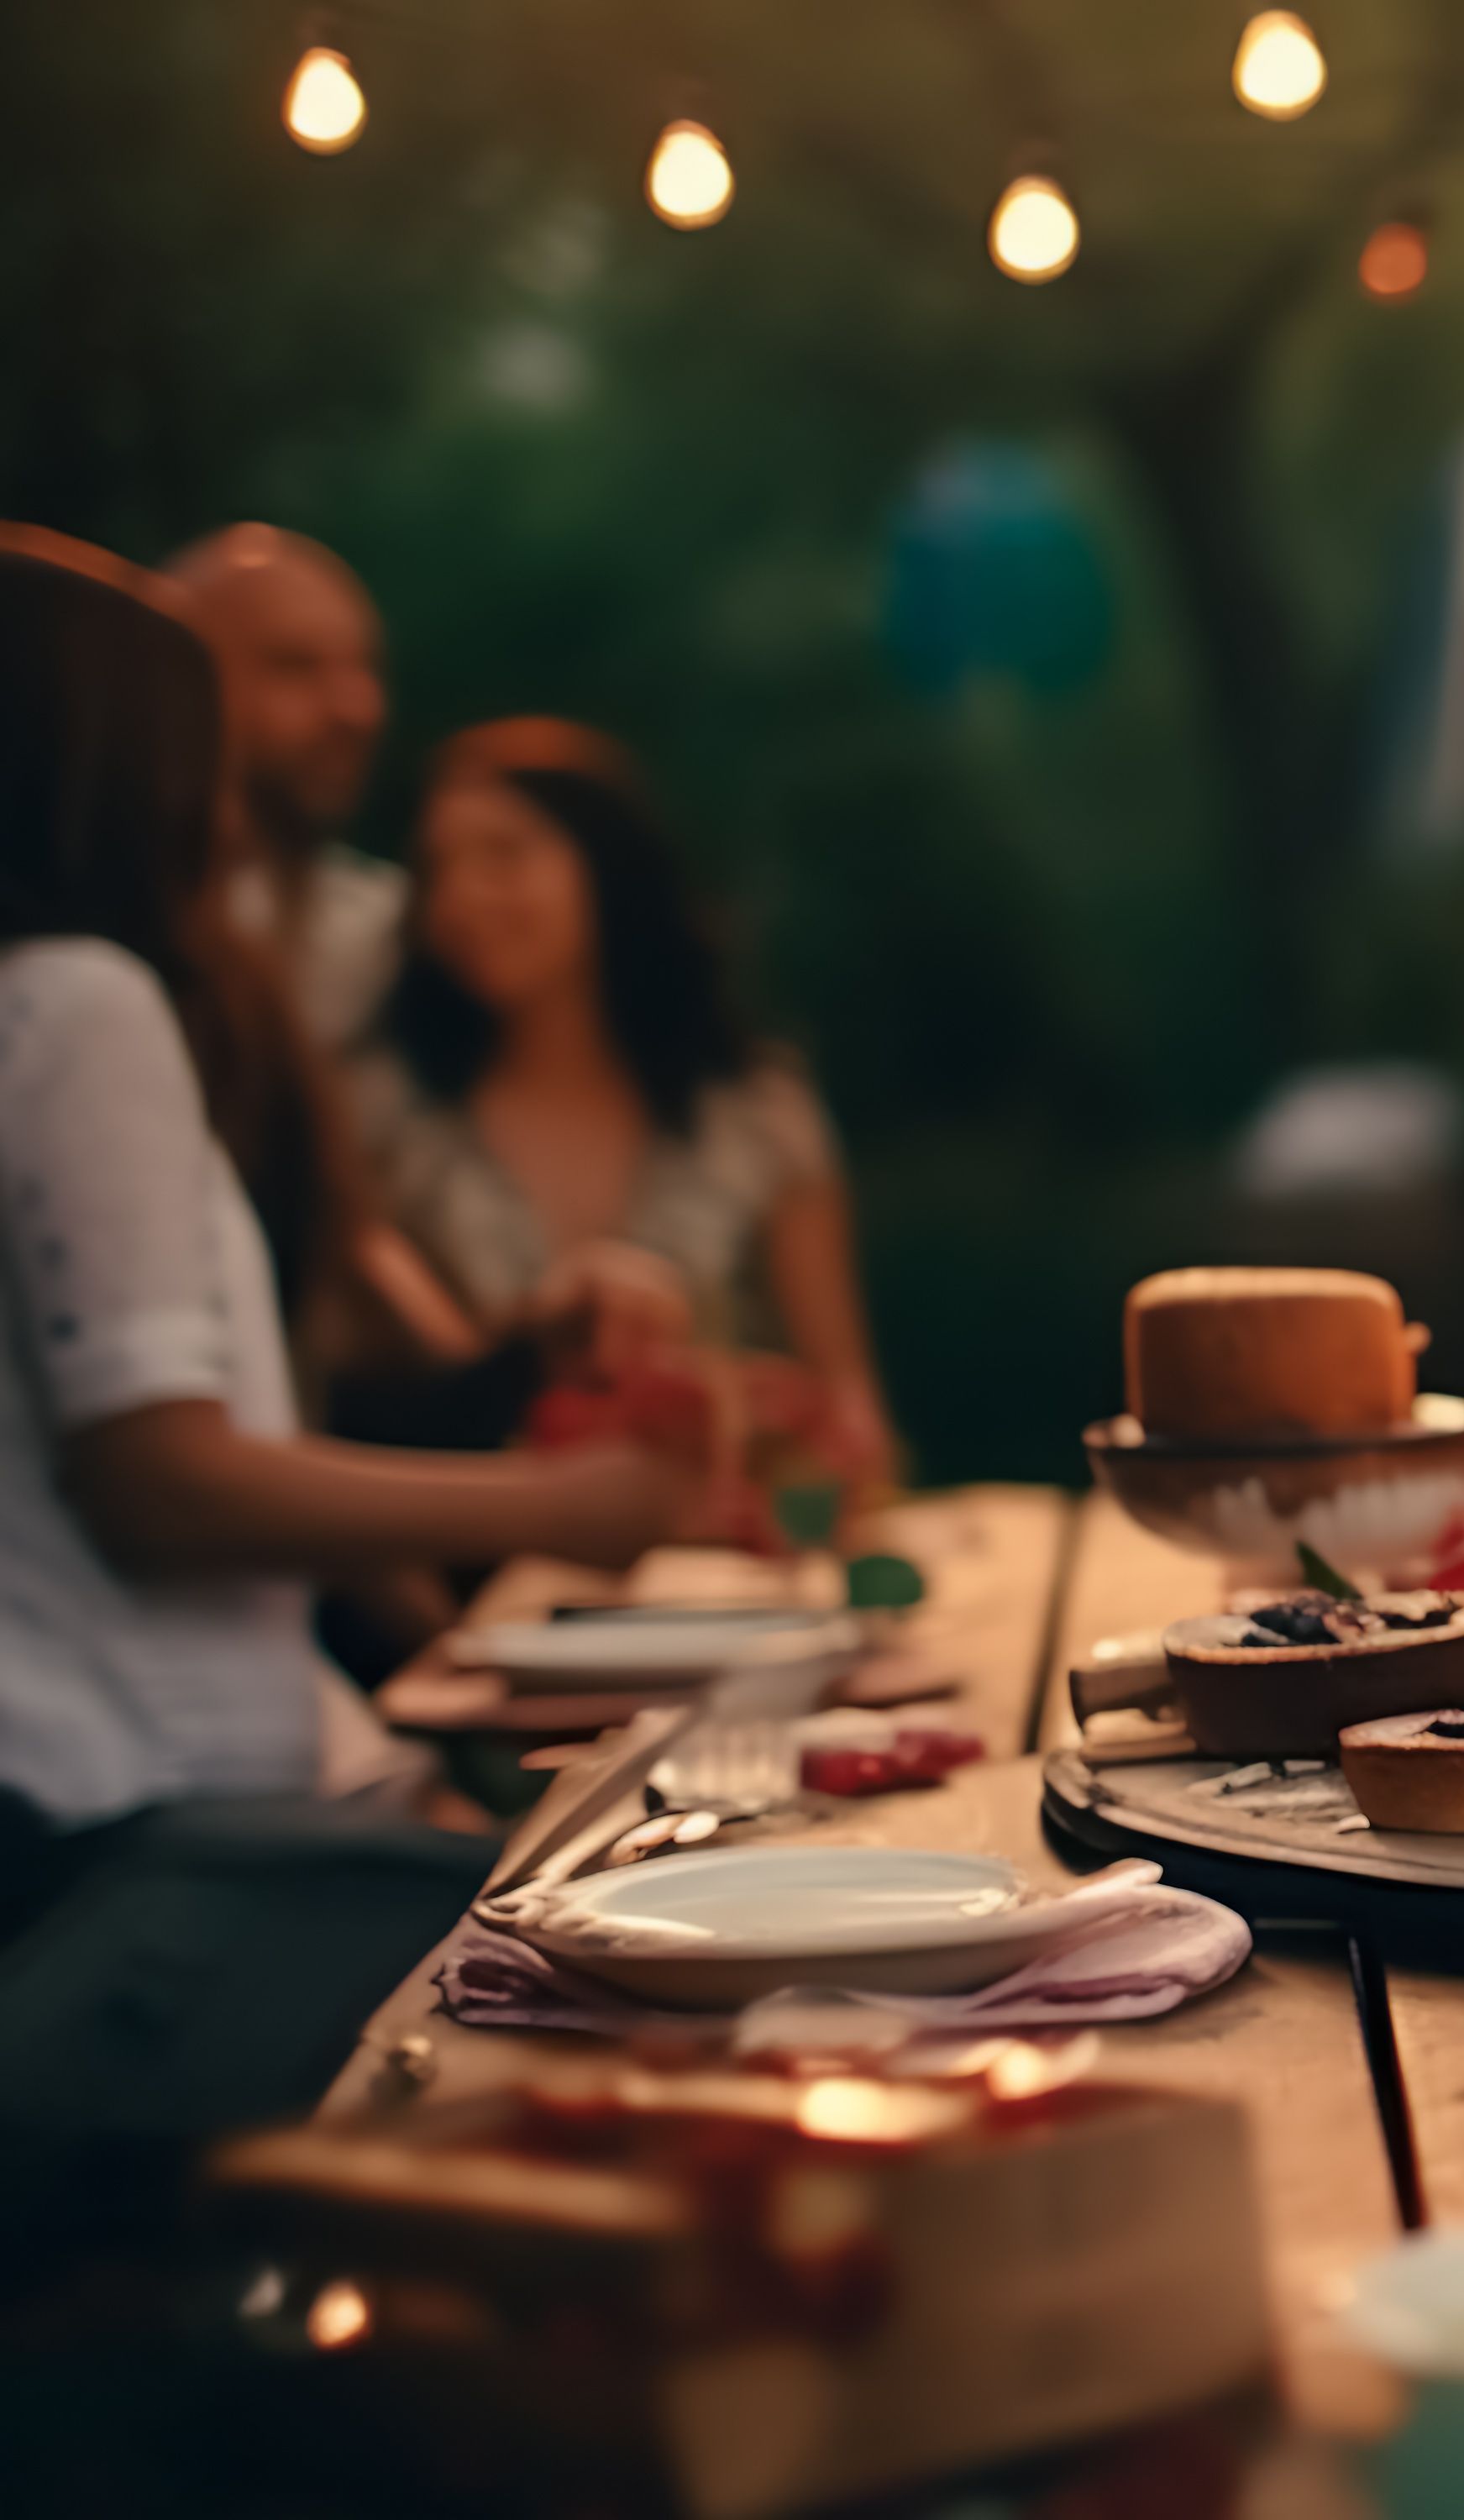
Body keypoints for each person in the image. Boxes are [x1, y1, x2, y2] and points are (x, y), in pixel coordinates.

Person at [0, 538, 700, 2218]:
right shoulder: (80, 1003)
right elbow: (160, 1476)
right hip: (130, 1842)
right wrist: (568, 1506)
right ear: (119, 762)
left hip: (124, 1819)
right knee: (639, 2000)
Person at [349, 719, 893, 1486]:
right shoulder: (386, 1121)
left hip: (735, 1561)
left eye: (505, 854)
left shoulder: (757, 1111)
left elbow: (851, 1407)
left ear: (608, 864)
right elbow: (405, 1393)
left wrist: (779, 1437)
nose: (462, 896)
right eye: (438, 868)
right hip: (496, 1564)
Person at [165, 523, 405, 1052]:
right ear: (174, 679)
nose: (358, 710)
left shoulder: (408, 943)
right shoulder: (94, 935)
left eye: (365, 667)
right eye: (296, 665)